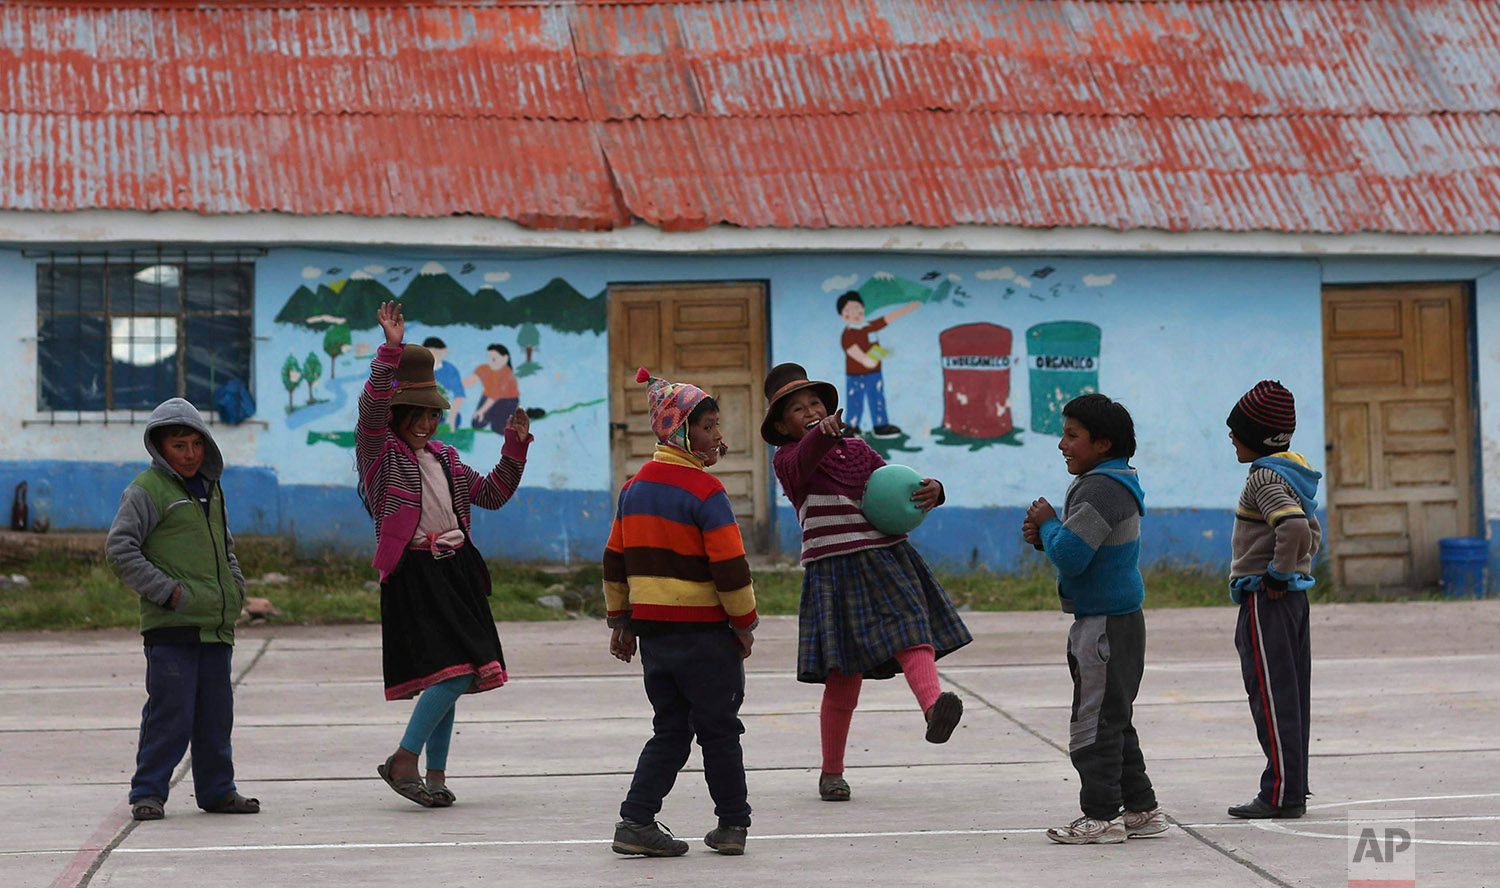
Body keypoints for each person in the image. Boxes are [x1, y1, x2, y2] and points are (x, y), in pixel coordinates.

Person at [762, 362, 971, 804]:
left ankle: (934, 710)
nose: (809, 411)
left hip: (886, 557)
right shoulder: (788, 460)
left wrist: (934, 490)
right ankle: (831, 773)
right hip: (833, 570)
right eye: (796, 409)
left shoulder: (859, 449)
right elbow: (803, 460)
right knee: (843, 674)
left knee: (913, 633)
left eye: (814, 403)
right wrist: (821, 433)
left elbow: (896, 489)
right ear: (781, 425)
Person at [360, 301, 533, 808]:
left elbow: (493, 494)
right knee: (453, 671)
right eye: (415, 415)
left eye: (432, 415)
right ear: (397, 416)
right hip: (414, 573)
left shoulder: (447, 458)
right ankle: (403, 759)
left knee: (453, 674)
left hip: (455, 572)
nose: (425, 424)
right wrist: (390, 350)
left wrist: (514, 449)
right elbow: (370, 409)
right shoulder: (379, 452)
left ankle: (435, 776)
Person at [605, 368, 757, 858]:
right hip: (706, 636)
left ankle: (635, 822)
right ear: (680, 431)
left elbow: (615, 562)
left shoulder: (633, 490)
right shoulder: (705, 493)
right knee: (719, 729)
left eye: (716, 427)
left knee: (670, 728)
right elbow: (731, 567)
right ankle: (732, 825)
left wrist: (621, 622)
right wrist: (744, 623)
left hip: (656, 639)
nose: (718, 437)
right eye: (709, 427)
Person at [106, 398, 260, 821]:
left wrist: (235, 587)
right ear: (159, 447)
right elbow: (119, 549)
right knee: (169, 715)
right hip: (172, 626)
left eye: (196, 444)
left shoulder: (211, 489)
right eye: (179, 445)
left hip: (216, 625)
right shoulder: (146, 490)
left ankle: (217, 791)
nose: (190, 454)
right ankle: (148, 792)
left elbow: (224, 548)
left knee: (215, 716)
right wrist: (169, 593)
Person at [1023, 393, 1165, 844]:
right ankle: (1141, 809)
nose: (1062, 444)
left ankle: (1102, 816)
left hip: (1104, 624)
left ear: (1102, 443)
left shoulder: (1101, 486)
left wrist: (1048, 525)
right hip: (1119, 620)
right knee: (1114, 718)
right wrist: (1049, 536)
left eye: (1072, 436)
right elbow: (1081, 547)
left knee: (1094, 723)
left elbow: (1071, 555)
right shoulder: (1116, 479)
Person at [1224, 381, 1322, 820]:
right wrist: (1298, 567)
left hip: (1268, 599)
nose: (1231, 437)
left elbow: (1295, 527)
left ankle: (1281, 794)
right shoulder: (1292, 472)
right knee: (1292, 694)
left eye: (1237, 430)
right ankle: (1292, 786)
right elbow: (1311, 531)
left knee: (1271, 695)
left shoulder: (1264, 476)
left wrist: (1278, 574)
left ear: (1258, 436)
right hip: (1292, 600)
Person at [836, 291, 920, 438]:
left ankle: (881, 425)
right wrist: (866, 359)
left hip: (875, 373)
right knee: (855, 401)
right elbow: (855, 352)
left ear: (863, 308)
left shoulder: (870, 326)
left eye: (857, 308)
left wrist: (908, 308)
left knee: (877, 398)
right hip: (855, 375)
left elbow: (887, 319)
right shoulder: (848, 334)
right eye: (848, 311)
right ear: (843, 316)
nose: (854, 313)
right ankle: (852, 427)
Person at [465, 343, 520, 433]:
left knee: (499, 429)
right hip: (487, 398)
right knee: (477, 424)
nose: (490, 360)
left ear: (505, 358)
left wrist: (482, 410)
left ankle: (511, 418)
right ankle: (494, 417)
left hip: (507, 401)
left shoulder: (507, 372)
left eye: (494, 358)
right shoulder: (483, 368)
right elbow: (471, 380)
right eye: (489, 357)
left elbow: (495, 394)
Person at [421, 336, 466, 430]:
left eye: (436, 352)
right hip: (422, 411)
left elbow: (459, 395)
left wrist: (452, 417)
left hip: (442, 413)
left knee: (456, 419)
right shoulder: (418, 369)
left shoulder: (450, 370)